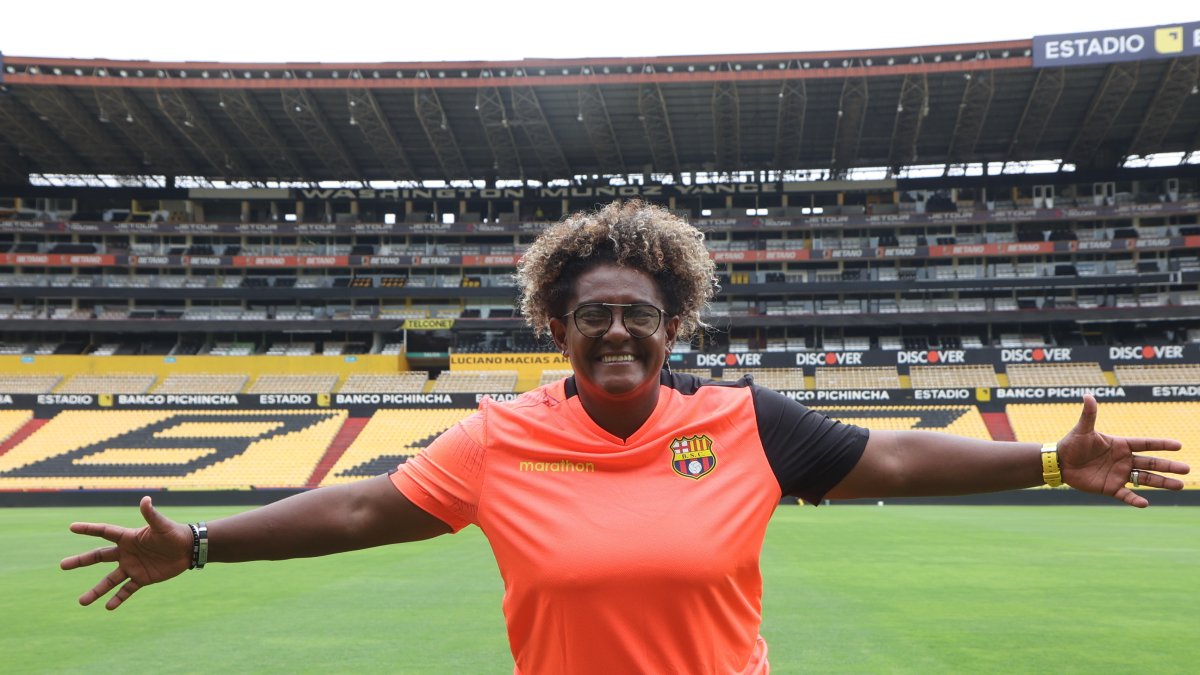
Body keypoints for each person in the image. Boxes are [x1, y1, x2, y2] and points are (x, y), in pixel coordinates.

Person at [62, 200, 1189, 674]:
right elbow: (361, 505)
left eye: (639, 315)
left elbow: (887, 457)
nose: (615, 330)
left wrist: (1045, 459)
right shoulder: (498, 436)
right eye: (592, 313)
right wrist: (202, 542)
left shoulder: (745, 420)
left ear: (673, 326)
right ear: (555, 325)